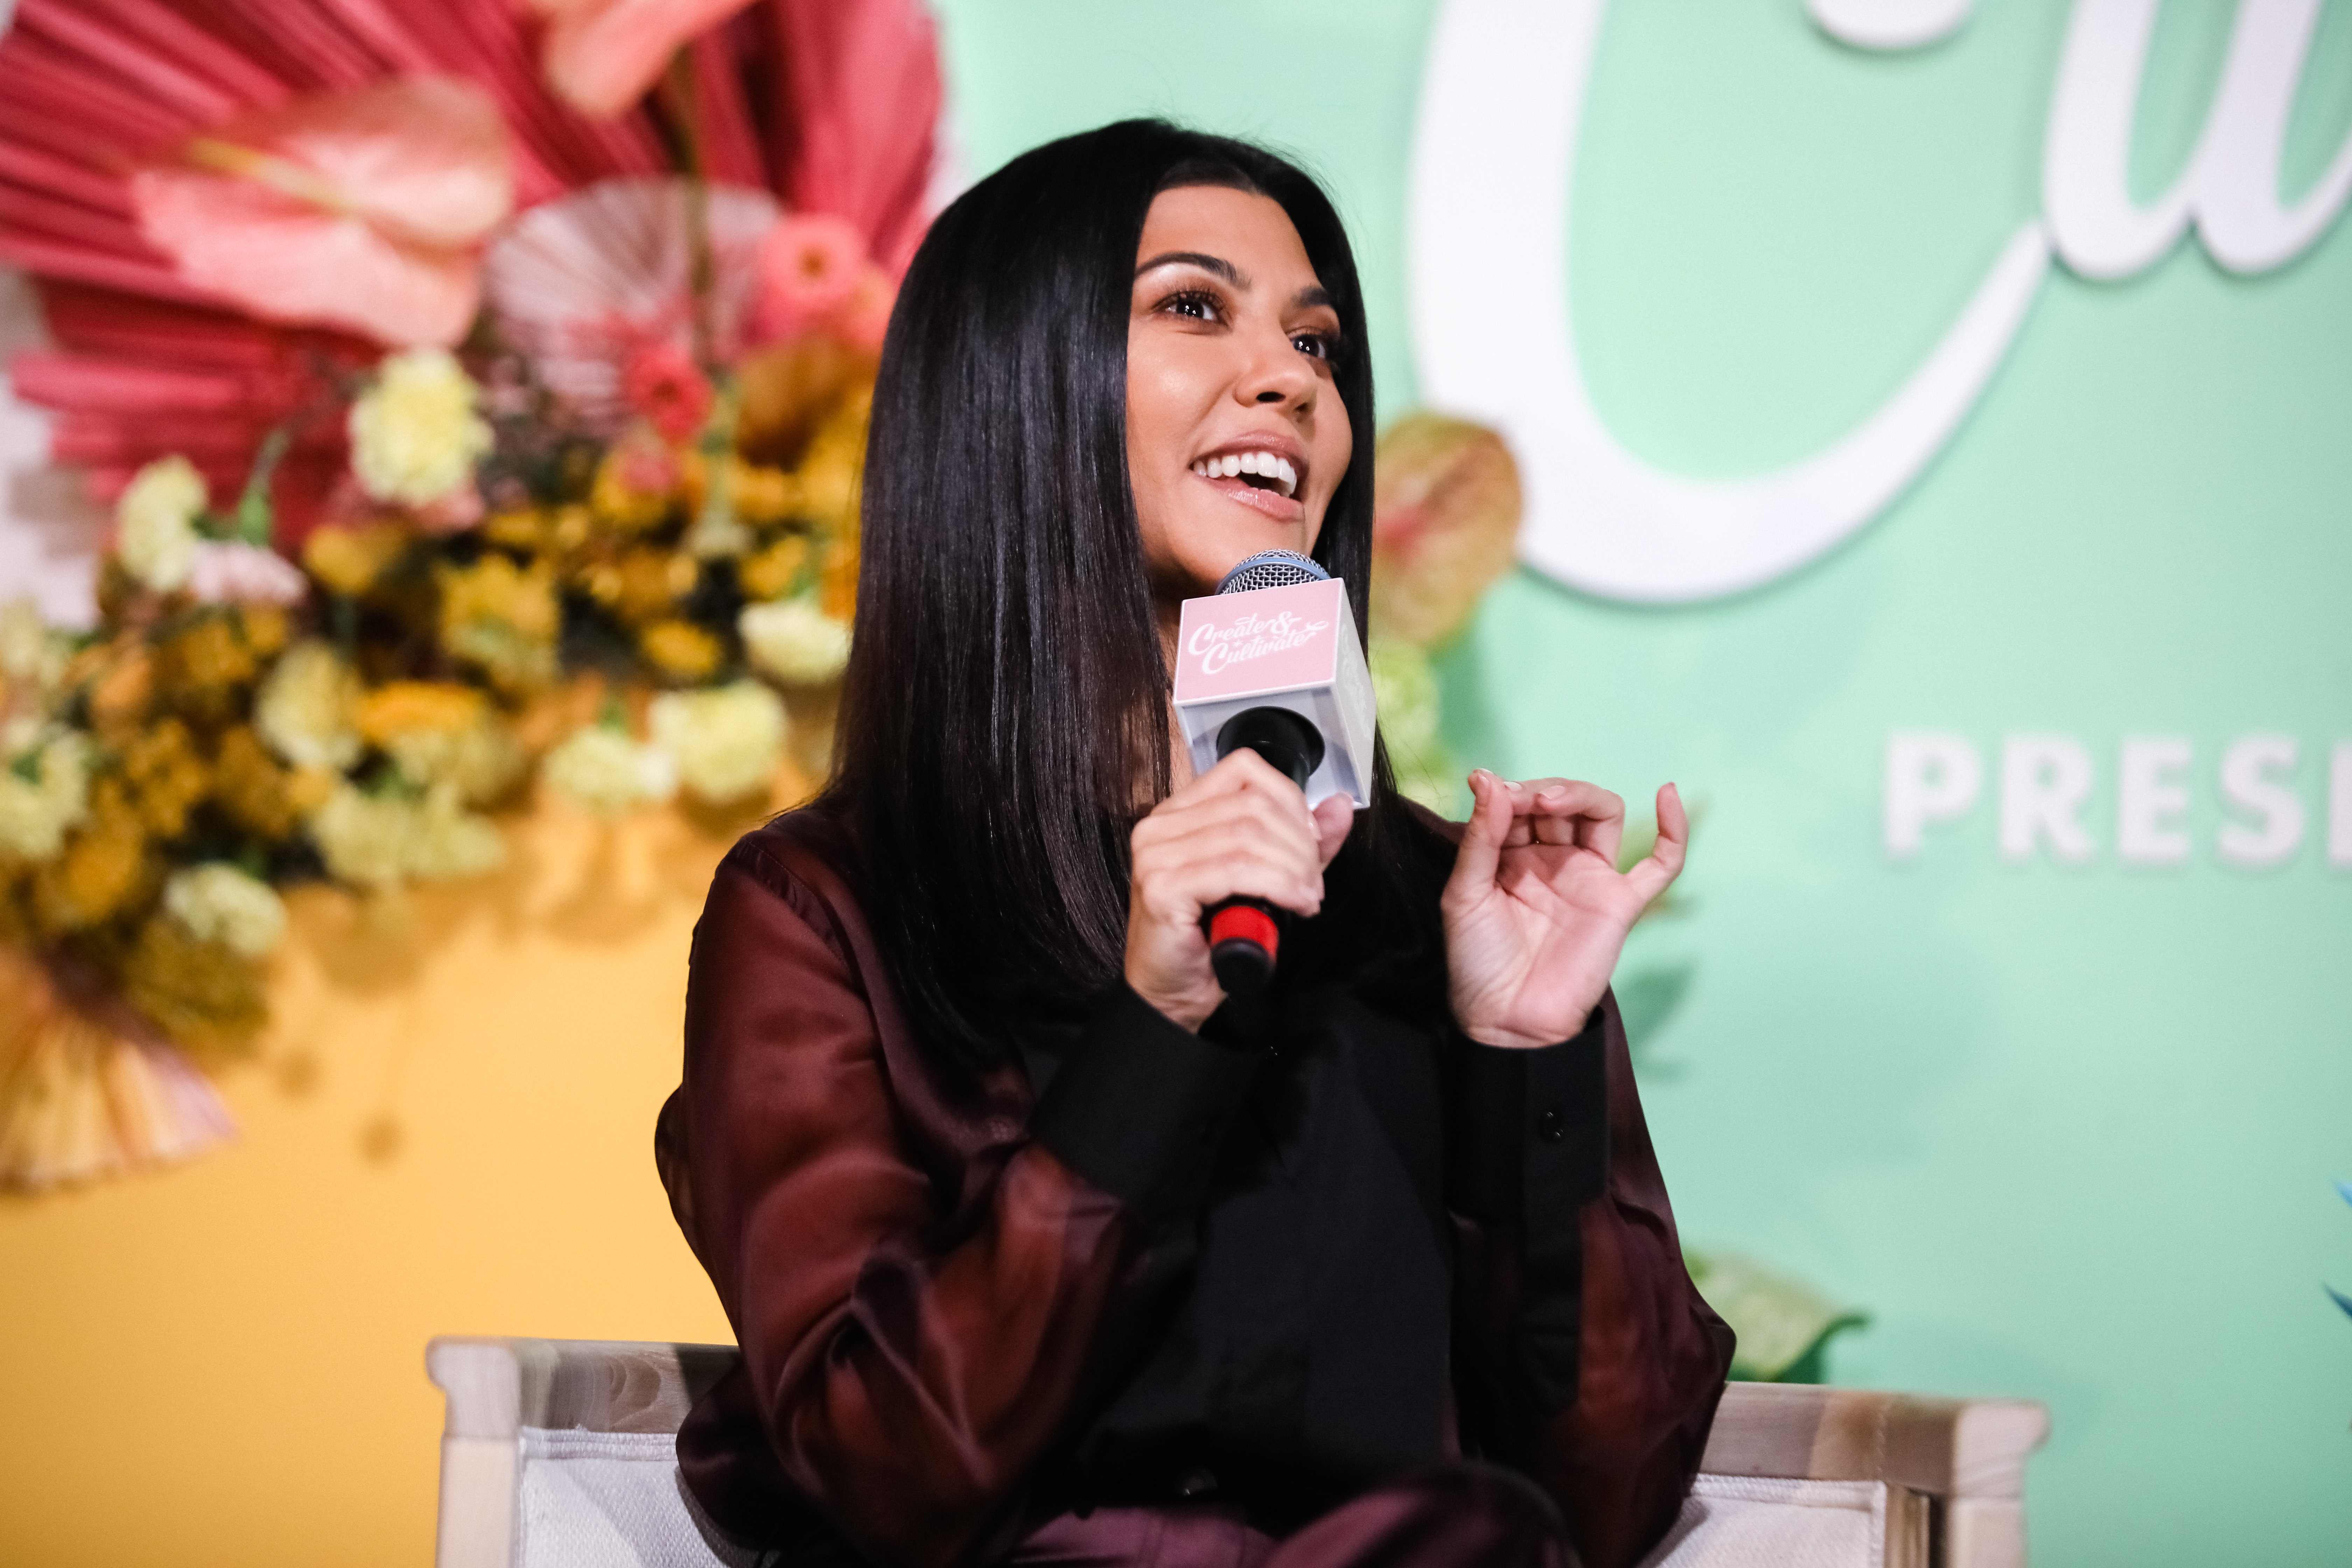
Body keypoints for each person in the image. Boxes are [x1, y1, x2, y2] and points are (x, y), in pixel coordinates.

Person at [654, 120, 1734, 1568]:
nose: (1288, 376)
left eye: (1317, 342)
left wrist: (1523, 1058)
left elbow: (1608, 1504)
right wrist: (1154, 1030)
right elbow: (888, 1470)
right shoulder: (826, 915)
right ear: (1013, 390)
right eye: (1191, 306)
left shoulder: (1443, 906)